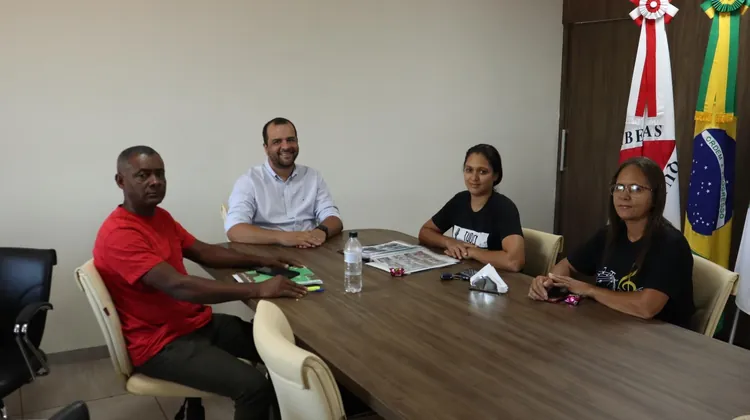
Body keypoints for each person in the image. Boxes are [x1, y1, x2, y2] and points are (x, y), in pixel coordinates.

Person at [93, 146, 308, 420]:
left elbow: (204, 252)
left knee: (284, 349)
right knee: (253, 387)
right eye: (143, 175)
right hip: (160, 344)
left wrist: (260, 260)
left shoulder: (160, 217)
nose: (155, 181)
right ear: (120, 181)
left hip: (192, 323)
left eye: (160, 174)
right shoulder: (120, 233)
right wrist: (259, 288)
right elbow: (180, 286)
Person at [528, 157, 695, 328]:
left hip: (660, 337)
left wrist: (590, 290)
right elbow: (567, 265)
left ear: (655, 196)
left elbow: (646, 308)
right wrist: (550, 283)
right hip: (612, 327)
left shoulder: (671, 244)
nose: (624, 196)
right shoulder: (609, 234)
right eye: (619, 187)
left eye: (636, 189)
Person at [225, 117, 343, 248]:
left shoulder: (313, 176)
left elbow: (334, 218)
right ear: (266, 148)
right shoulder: (249, 181)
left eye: (291, 140)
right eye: (277, 142)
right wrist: (283, 237)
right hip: (267, 253)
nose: (286, 146)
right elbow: (235, 230)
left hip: (310, 249)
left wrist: (321, 231)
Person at [418, 144, 525, 272]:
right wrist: (448, 242)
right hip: (461, 274)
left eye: (482, 172)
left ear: (496, 175)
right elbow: (425, 232)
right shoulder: (459, 200)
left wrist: (472, 252)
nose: (474, 178)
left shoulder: (504, 208)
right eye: (469, 170)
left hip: (494, 280)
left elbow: (514, 262)